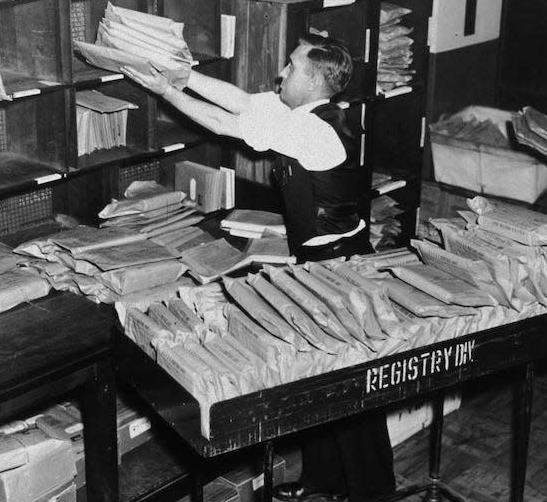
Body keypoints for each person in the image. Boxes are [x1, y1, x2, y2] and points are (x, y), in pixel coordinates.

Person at [121, 33, 395, 502]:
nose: (281, 73)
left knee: (349, 391)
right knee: (317, 378)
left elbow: (231, 124)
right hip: (318, 263)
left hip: (336, 268)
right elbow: (246, 102)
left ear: (312, 80)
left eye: (291, 67)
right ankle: (323, 483)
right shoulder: (305, 115)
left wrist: (166, 91)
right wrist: (185, 76)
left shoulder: (313, 130)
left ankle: (373, 494)